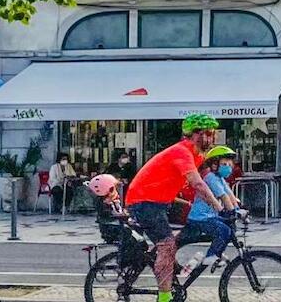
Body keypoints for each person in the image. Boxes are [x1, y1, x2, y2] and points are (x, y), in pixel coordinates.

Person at [124, 115, 225, 302]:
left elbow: (206, 183)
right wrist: (220, 208)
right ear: (195, 135)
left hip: (163, 201)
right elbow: (198, 184)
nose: (213, 139)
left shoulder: (196, 156)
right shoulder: (182, 152)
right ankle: (164, 297)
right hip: (144, 202)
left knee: (193, 224)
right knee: (167, 245)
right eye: (209, 134)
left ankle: (172, 266)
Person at [179, 146, 243, 274]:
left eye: (230, 164)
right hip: (200, 217)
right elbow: (223, 197)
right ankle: (211, 257)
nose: (228, 167)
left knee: (229, 229)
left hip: (209, 216)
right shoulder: (211, 178)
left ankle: (216, 255)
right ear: (214, 165)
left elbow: (230, 195)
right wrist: (232, 212)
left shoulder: (220, 178)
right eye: (224, 164)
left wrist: (238, 210)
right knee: (224, 231)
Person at [86, 173, 125, 245]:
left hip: (110, 228)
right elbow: (113, 214)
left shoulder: (106, 202)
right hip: (114, 229)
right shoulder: (105, 204)